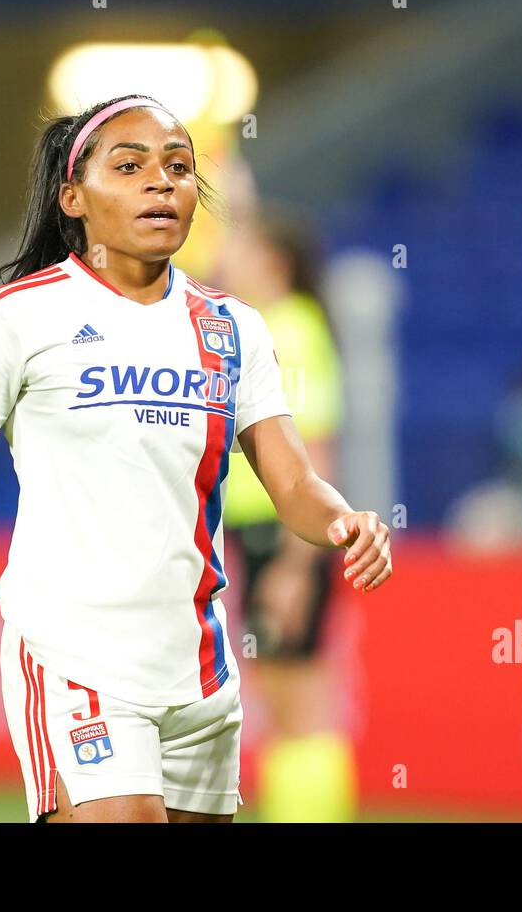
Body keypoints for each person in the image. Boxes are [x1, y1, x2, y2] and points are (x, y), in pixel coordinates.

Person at [0, 95, 394, 823]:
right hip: (75, 661)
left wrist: (343, 522)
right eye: (129, 167)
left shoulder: (234, 330)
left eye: (178, 168)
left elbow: (292, 480)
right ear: (74, 196)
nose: (161, 183)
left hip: (198, 673)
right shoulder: (16, 318)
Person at [213, 206, 357, 822]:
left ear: (274, 265)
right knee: (285, 693)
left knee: (298, 700)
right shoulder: (274, 329)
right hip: (268, 532)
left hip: (289, 534)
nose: (229, 262)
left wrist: (297, 566)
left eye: (245, 250)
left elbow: (315, 450)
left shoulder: (290, 334)